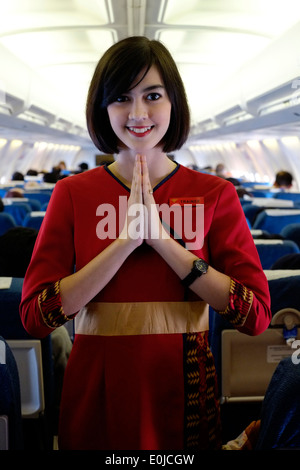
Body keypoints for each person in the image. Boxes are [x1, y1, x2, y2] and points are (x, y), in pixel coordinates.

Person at [20, 36, 271, 450]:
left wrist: (163, 242)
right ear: (103, 108)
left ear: (174, 103)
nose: (138, 113)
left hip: (185, 394)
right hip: (95, 395)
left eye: (152, 95)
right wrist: (123, 243)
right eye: (121, 98)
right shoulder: (71, 194)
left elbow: (256, 317)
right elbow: (35, 318)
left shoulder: (214, 194)